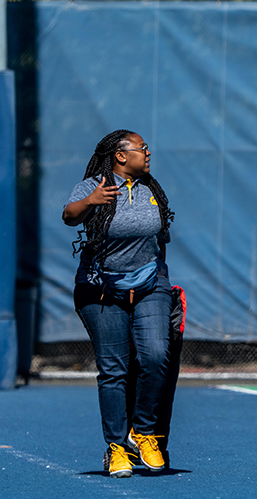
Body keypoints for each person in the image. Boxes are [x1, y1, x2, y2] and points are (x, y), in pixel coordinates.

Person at [63, 129, 175, 478]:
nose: (148, 153)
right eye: (143, 149)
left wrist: (162, 281)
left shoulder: (151, 190)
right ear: (121, 156)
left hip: (150, 284)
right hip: (101, 289)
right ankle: (116, 448)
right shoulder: (94, 187)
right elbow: (69, 215)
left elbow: (160, 239)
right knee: (114, 369)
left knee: (156, 356)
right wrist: (90, 202)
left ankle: (142, 432)